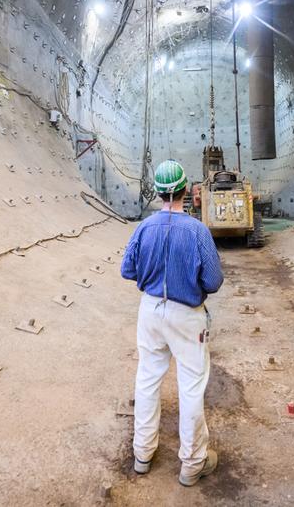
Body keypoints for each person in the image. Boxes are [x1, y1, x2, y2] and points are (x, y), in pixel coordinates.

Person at [121, 159, 224, 487]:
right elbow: (214, 280)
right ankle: (193, 464)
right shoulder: (197, 231)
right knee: (191, 385)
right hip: (186, 314)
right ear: (184, 190)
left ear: (159, 192)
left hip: (150, 311)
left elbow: (128, 270)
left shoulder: (144, 227)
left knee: (148, 379)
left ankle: (142, 454)